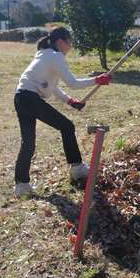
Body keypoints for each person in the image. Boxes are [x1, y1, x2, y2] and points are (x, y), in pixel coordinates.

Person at [13, 26, 112, 198]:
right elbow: (73, 83)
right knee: (67, 126)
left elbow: (54, 86)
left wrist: (70, 101)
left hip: (21, 98)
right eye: (69, 42)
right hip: (30, 98)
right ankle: (77, 168)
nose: (71, 46)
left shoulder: (45, 54)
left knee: (28, 144)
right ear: (60, 42)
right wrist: (97, 79)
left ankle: (22, 186)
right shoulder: (55, 56)